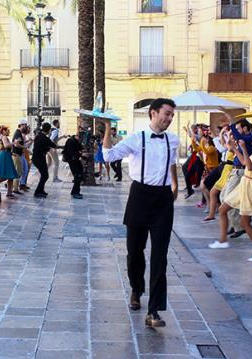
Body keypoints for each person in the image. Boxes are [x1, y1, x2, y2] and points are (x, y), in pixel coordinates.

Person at [103, 98, 179, 328]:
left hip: (163, 199)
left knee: (160, 255)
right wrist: (107, 129)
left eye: (171, 115)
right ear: (153, 113)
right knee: (134, 251)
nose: (169, 118)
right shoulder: (137, 138)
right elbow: (108, 156)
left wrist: (175, 184)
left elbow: (172, 161)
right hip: (139, 196)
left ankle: (154, 310)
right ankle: (136, 288)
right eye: (166, 114)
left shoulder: (173, 139)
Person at [209, 130, 252, 263]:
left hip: (251, 187)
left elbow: (250, 167)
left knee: (245, 223)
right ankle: (223, 240)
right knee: (222, 210)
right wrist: (234, 148)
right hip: (244, 184)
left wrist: (244, 148)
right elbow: (245, 163)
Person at [218, 111, 252, 239]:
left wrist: (231, 121)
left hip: (241, 171)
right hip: (235, 171)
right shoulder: (242, 140)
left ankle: (239, 226)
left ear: (245, 128)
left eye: (239, 129)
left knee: (229, 198)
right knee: (223, 197)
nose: (237, 131)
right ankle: (235, 224)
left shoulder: (249, 138)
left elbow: (238, 138)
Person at [32, 122, 57, 198]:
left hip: (37, 158)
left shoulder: (38, 136)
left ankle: (41, 190)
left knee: (44, 175)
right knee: (45, 175)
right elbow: (54, 146)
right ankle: (37, 192)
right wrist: (64, 147)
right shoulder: (44, 138)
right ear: (48, 130)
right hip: (39, 159)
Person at [0, 126, 18, 199]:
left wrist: (11, 153)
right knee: (4, 176)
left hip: (7, 156)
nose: (9, 132)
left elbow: (5, 148)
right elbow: (6, 145)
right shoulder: (4, 137)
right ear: (3, 131)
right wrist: (14, 143)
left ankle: (9, 193)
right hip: (4, 157)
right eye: (7, 130)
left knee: (11, 175)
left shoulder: (5, 137)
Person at [63, 133, 84, 199]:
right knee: (77, 175)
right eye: (80, 138)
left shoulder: (76, 141)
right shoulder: (70, 141)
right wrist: (79, 153)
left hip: (75, 160)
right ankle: (75, 193)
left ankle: (74, 191)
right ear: (76, 136)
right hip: (72, 160)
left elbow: (80, 148)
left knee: (79, 174)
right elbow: (72, 153)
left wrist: (81, 154)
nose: (81, 140)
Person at [11, 118, 28, 195]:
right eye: (25, 125)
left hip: (20, 154)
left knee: (24, 169)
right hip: (17, 154)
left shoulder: (19, 133)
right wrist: (24, 147)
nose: (26, 126)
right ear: (21, 125)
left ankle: (21, 185)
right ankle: (15, 188)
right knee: (18, 171)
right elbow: (16, 144)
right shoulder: (17, 133)